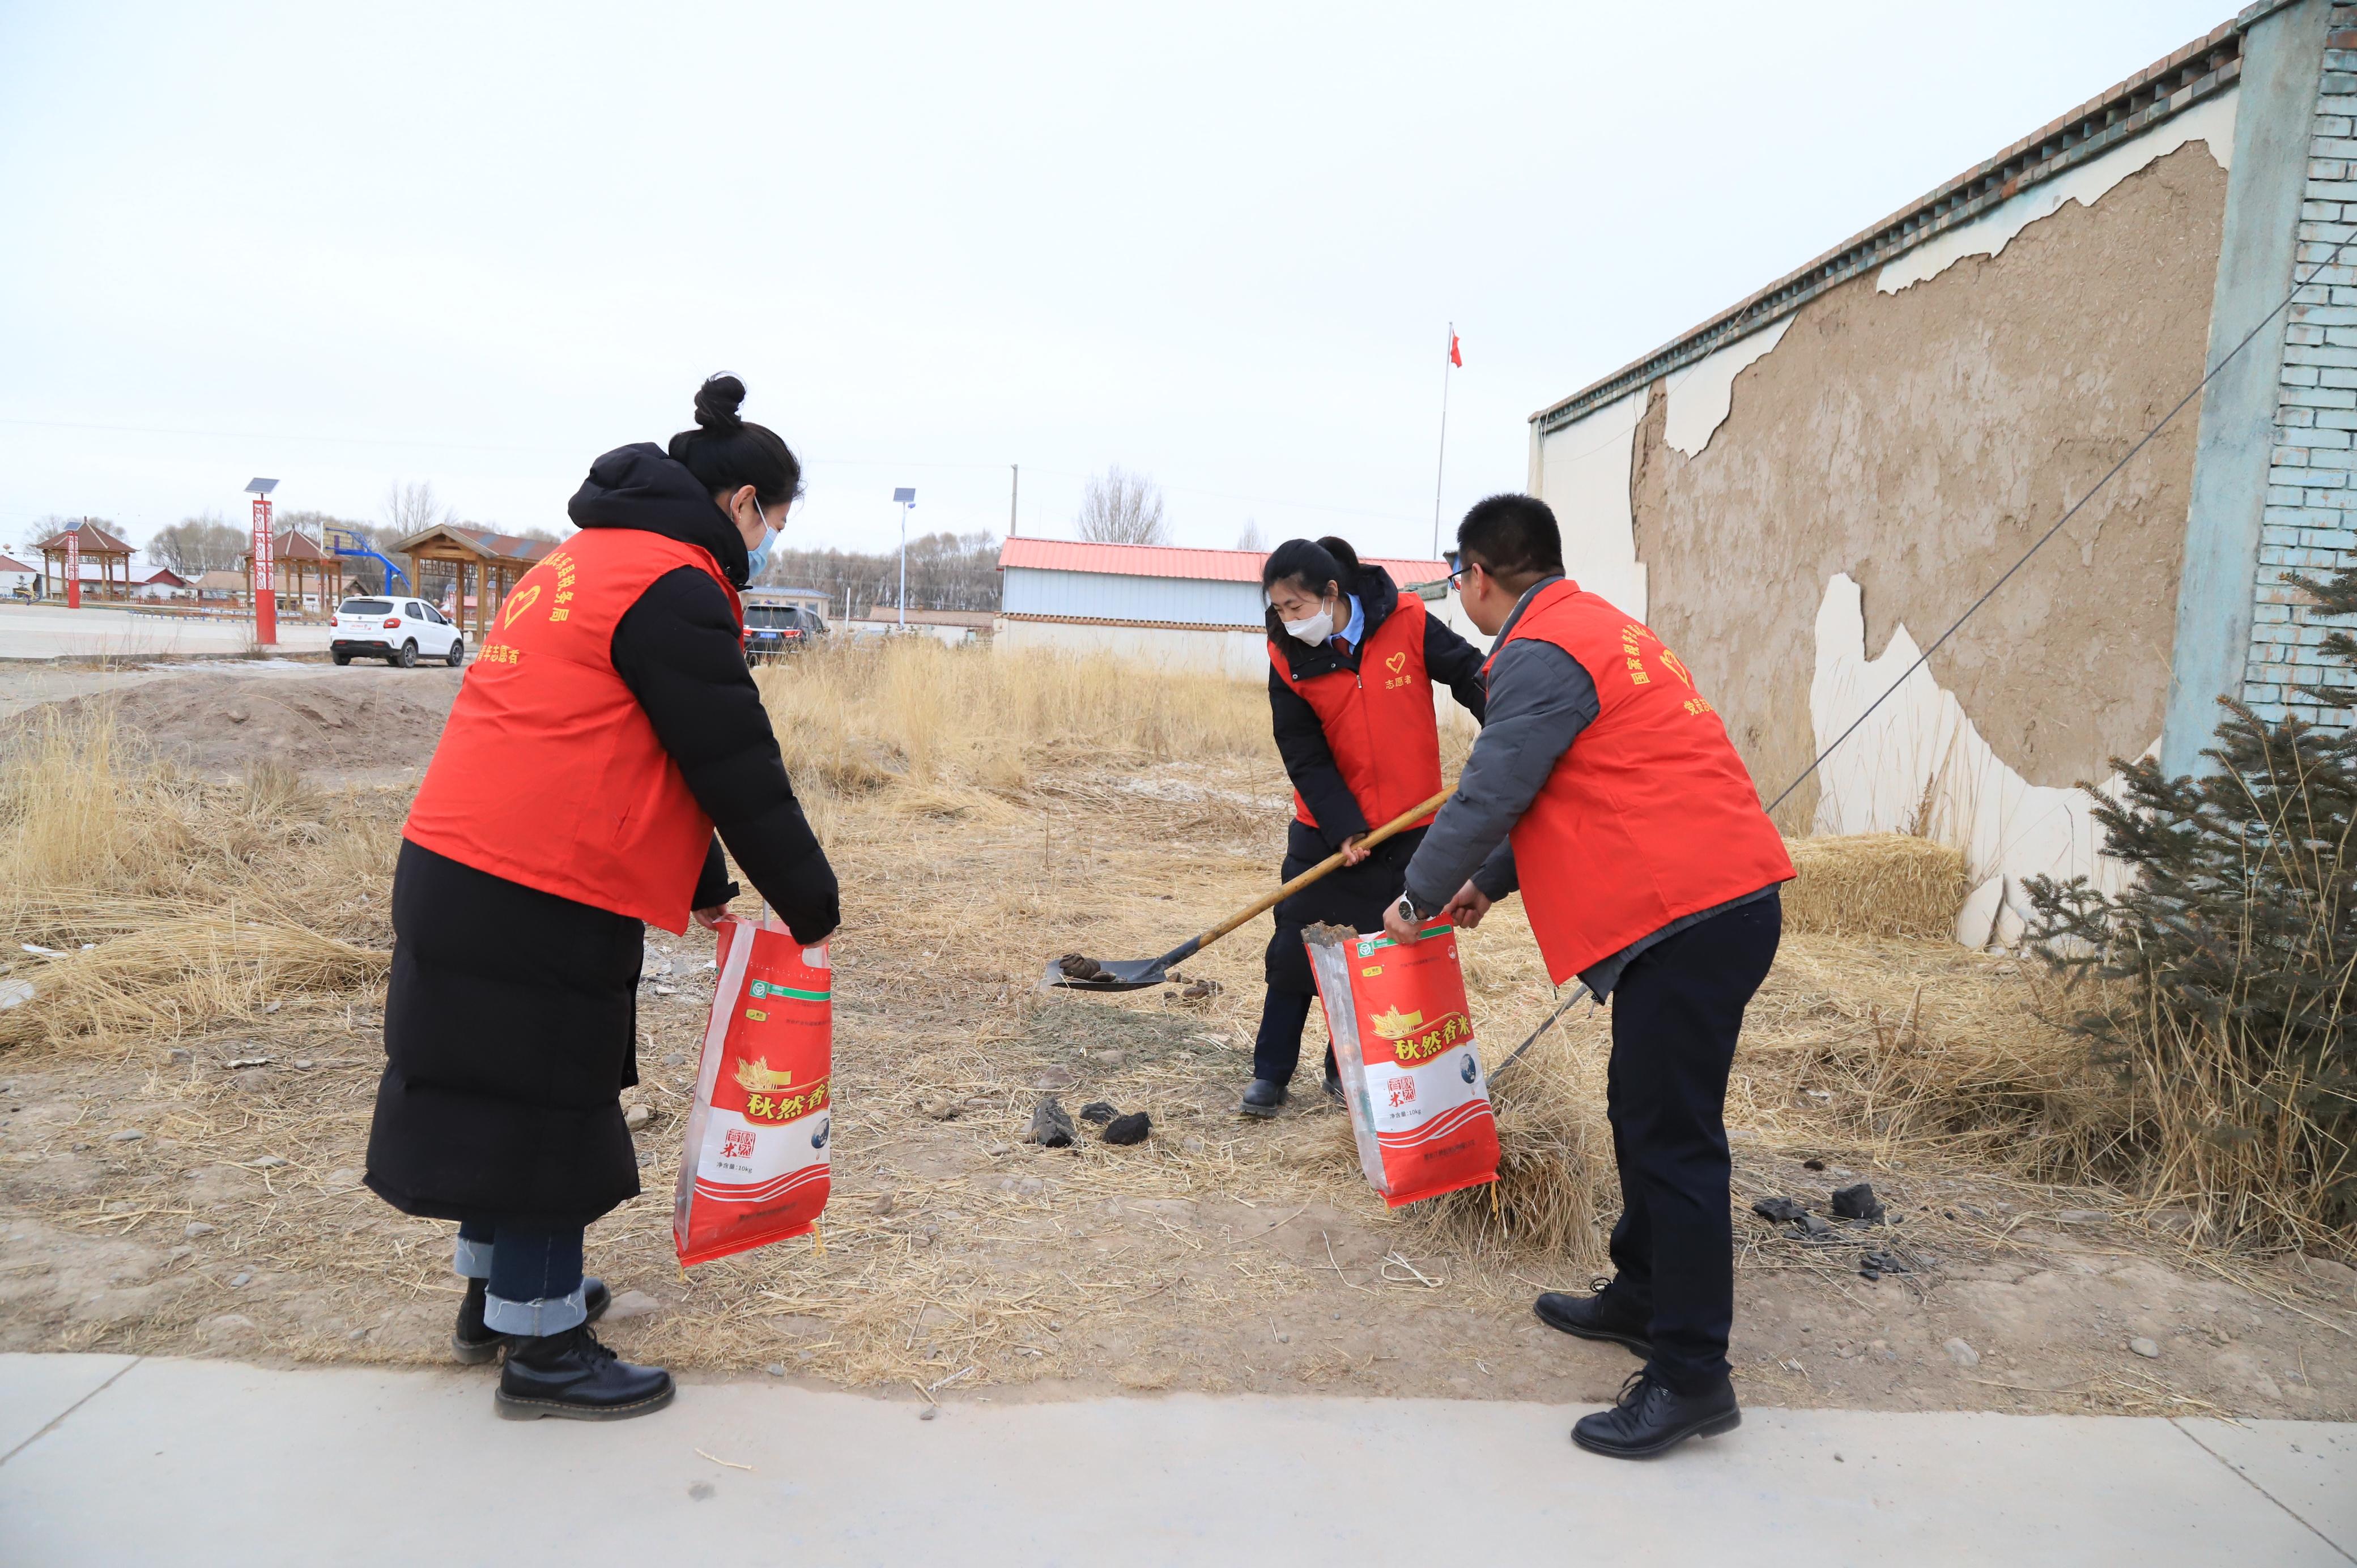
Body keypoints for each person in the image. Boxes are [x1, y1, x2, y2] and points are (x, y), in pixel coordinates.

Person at [364, 374, 840, 1421]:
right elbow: (730, 755)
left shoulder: (584, 560)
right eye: (776, 519)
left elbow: (633, 745)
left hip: (461, 860)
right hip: (539, 880)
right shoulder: (674, 581)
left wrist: (708, 884)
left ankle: (498, 1297)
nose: (772, 543)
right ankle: (545, 1349)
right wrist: (810, 897)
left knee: (494, 1091)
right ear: (743, 502)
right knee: (547, 1100)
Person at [1381, 493, 1793, 1460]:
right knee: (1638, 1107)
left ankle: (1693, 1374)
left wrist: (1420, 894)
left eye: (1459, 582)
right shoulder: (1603, 630)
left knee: (1676, 1137)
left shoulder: (1534, 653)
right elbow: (1588, 776)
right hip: (1711, 904)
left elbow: (1497, 783)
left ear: (1478, 575)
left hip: (1691, 913)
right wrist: (1489, 882)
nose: (1462, 597)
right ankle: (1643, 1293)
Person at [1247, 535, 1487, 1117]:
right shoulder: (1287, 654)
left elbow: (1468, 672)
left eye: (1296, 606)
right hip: (1326, 830)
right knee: (1294, 953)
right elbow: (1301, 750)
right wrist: (1341, 826)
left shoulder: (1404, 618)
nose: (1286, 619)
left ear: (1332, 593)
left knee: (1377, 953)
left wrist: (1508, 723)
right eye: (1278, 608)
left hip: (1409, 826)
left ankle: (1344, 1069)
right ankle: (1269, 1073)